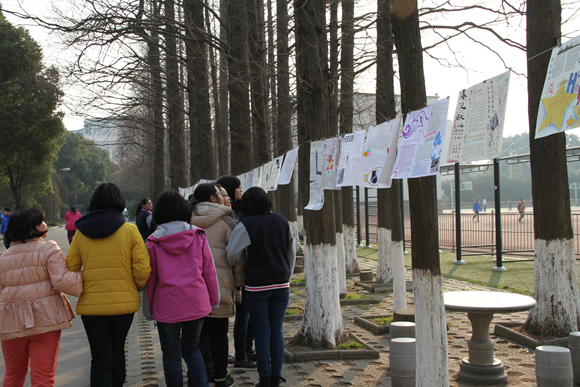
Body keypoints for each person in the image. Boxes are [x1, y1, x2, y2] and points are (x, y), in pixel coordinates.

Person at [66, 183, 151, 387]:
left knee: (100, 357)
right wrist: (138, 287)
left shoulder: (80, 232)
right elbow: (142, 268)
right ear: (119, 202)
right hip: (123, 304)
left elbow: (71, 265)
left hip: (92, 306)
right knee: (117, 351)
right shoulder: (130, 231)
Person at [0, 209, 83, 387]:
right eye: (41, 221)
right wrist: (85, 276)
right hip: (45, 320)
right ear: (31, 229)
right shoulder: (48, 248)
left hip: (10, 323)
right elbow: (61, 281)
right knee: (43, 378)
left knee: (13, 374)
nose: (44, 224)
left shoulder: (3, 257)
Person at [146, 190, 220, 387]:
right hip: (196, 303)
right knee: (192, 349)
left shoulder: (153, 242)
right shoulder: (197, 236)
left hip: (166, 305)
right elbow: (209, 272)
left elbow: (151, 279)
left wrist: (149, 307)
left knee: (171, 355)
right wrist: (213, 299)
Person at [227, 187, 295, 387]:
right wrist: (286, 275)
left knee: (262, 333)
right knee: (277, 331)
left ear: (246, 205)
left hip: (257, 286)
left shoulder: (247, 224)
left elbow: (231, 253)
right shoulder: (281, 220)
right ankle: (276, 376)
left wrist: (242, 264)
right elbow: (291, 251)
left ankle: (264, 378)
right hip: (282, 284)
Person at [190, 184, 245, 386]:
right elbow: (238, 256)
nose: (225, 197)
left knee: (195, 337)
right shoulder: (227, 221)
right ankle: (221, 377)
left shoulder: (187, 218)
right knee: (219, 335)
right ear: (213, 199)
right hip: (220, 286)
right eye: (220, 194)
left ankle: (198, 376)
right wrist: (238, 284)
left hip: (192, 288)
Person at [216, 176, 256, 367]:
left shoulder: (242, 211)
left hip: (247, 270)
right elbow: (233, 248)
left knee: (249, 315)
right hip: (238, 272)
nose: (241, 191)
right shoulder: (230, 215)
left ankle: (247, 350)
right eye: (238, 188)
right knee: (243, 315)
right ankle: (241, 355)